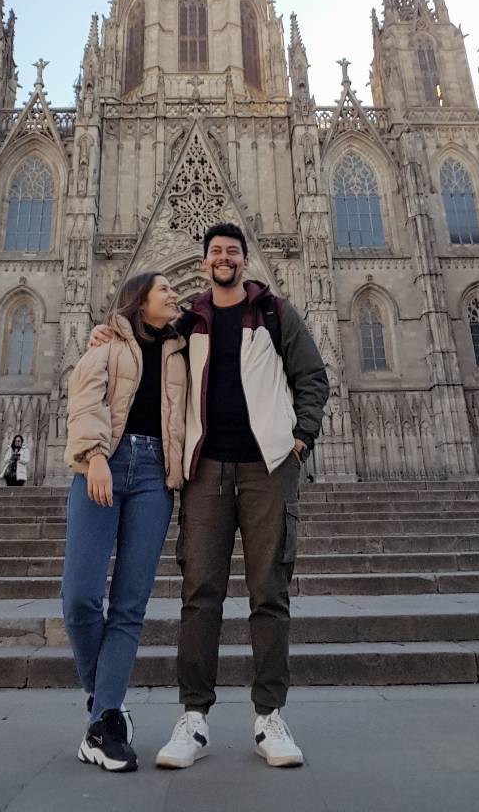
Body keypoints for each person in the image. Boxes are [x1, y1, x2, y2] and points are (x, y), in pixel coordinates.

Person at [89, 223, 329, 769]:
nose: (224, 259)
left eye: (232, 252)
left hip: (267, 467)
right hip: (204, 471)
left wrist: (301, 437)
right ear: (204, 263)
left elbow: (312, 374)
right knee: (200, 594)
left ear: (245, 262)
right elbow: (139, 339)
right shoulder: (188, 320)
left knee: (269, 591)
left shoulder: (274, 313)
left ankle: (269, 717)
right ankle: (193, 717)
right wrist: (104, 336)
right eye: (216, 251)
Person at [62, 272, 187, 773]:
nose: (174, 294)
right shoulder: (107, 342)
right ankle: (105, 702)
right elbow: (85, 397)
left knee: (130, 605)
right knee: (79, 597)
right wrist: (93, 455)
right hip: (105, 463)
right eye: (165, 290)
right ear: (140, 301)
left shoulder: (185, 347)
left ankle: (105, 720)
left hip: (156, 473)